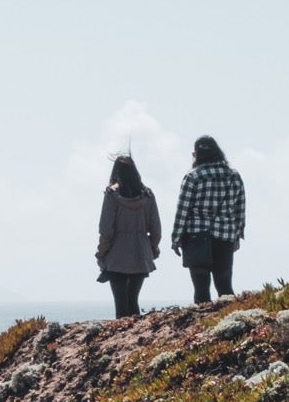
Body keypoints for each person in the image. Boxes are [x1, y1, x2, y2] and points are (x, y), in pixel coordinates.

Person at [171, 135, 246, 303]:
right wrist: (238, 234)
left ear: (196, 154)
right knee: (224, 284)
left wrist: (176, 239)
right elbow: (240, 208)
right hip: (225, 235)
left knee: (201, 287)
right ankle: (228, 319)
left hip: (196, 236)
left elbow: (182, 211)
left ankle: (201, 323)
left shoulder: (193, 176)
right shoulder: (234, 176)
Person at [96, 154, 161, 319]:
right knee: (133, 301)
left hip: (116, 254)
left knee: (121, 303)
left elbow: (106, 229)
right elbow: (156, 228)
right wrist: (152, 249)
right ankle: (136, 338)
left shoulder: (111, 194)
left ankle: (121, 339)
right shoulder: (147, 194)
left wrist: (101, 252)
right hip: (141, 253)